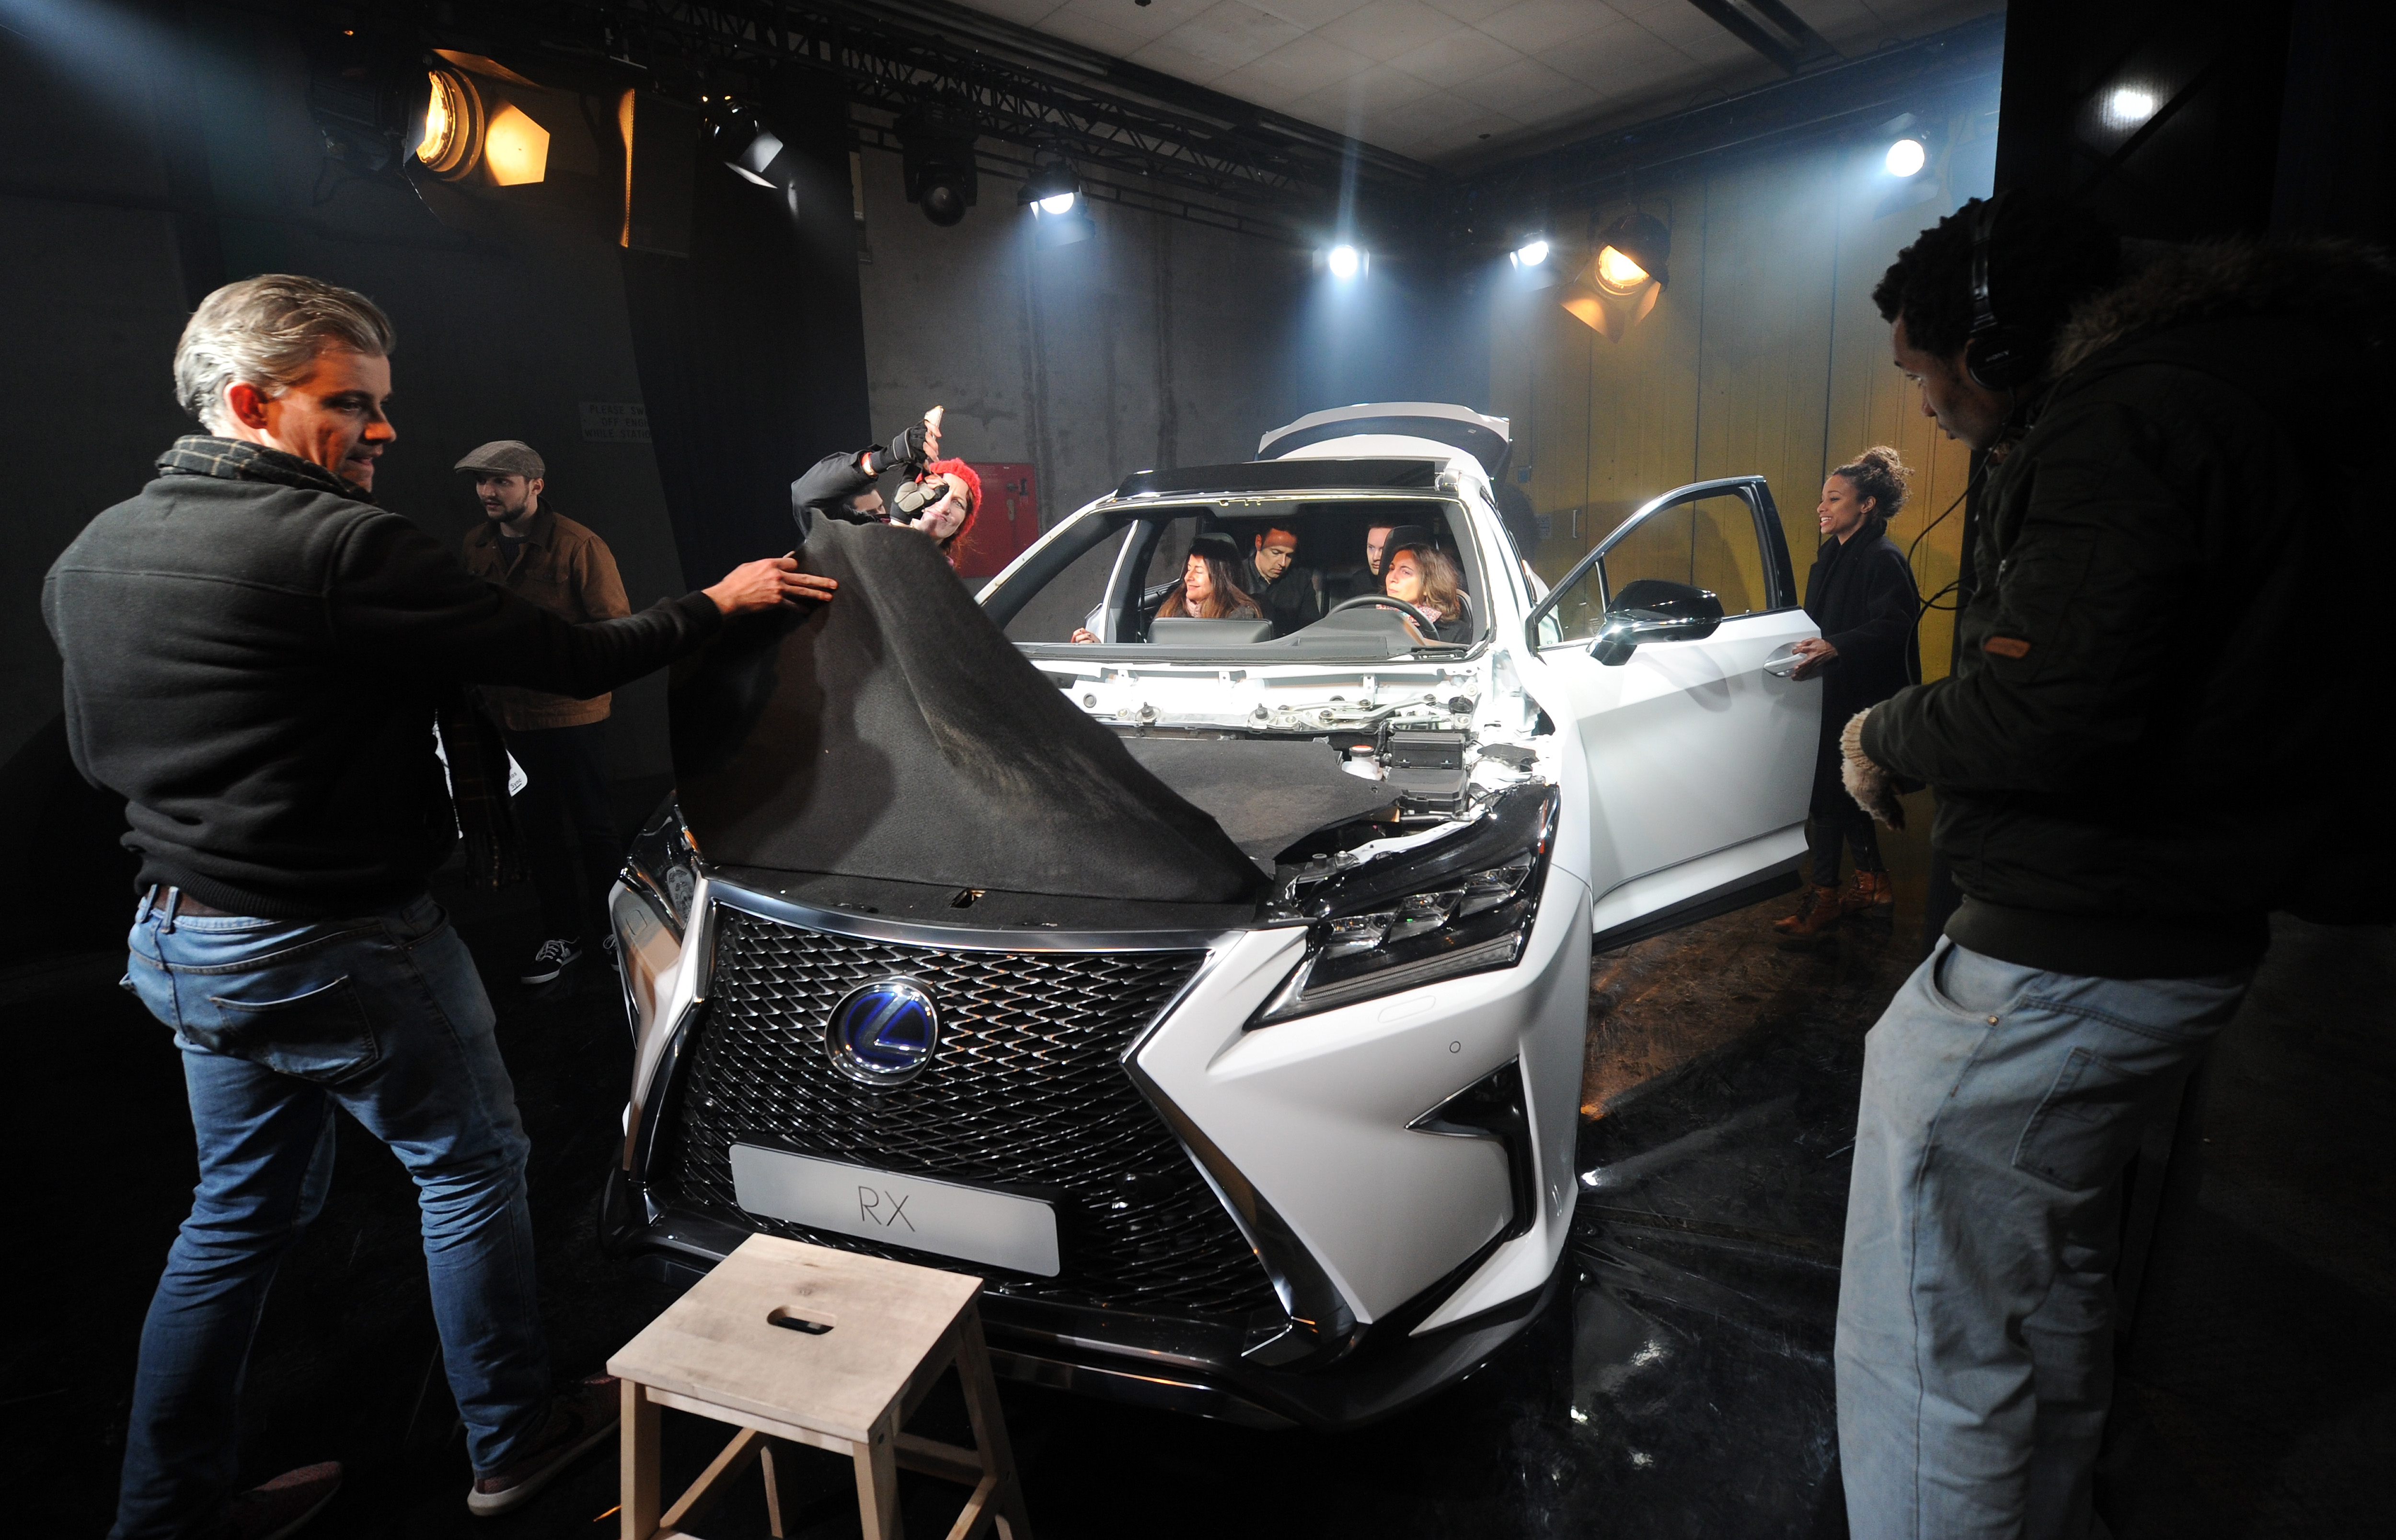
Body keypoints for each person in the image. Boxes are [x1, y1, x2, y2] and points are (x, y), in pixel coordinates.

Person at [46, 274, 831, 1540]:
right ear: (252, 402)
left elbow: (94, 763)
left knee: (235, 1217)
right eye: (351, 404)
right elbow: (571, 657)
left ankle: (165, 1508)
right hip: (338, 939)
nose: (385, 431)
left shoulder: (95, 550)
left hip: (181, 939)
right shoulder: (340, 543)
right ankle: (513, 1445)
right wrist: (721, 604)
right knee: (470, 1167)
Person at [1831, 195, 2389, 1540]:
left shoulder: (2125, 419)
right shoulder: (2248, 388)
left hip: (2063, 958)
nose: (1926, 408)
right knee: (2050, 1270)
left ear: (1995, 340)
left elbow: (2047, 708)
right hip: (2176, 937)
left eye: (1924, 371)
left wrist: (1880, 724)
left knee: (1929, 1339)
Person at [455, 439, 630, 983]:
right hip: (509, 714)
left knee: (595, 826)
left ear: (536, 485)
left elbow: (614, 629)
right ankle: (563, 935)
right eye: (481, 481)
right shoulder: (476, 544)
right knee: (538, 830)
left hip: (572, 712)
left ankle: (614, 932)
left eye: (501, 480)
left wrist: (553, 658)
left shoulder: (579, 545)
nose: (487, 491)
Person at [1772, 446, 1920, 938]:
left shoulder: (1881, 558)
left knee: (1828, 798)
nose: (1821, 507)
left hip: (1860, 699)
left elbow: (1895, 625)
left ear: (1866, 505)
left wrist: (1835, 646)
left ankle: (1825, 896)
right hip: (1831, 693)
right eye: (1822, 498)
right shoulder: (1831, 556)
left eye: (1834, 499)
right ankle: (1873, 883)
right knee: (1846, 795)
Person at [1070, 532, 1259, 642]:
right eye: (1188, 569)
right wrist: (1098, 646)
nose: (1188, 577)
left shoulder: (1241, 617)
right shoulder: (1172, 608)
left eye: (1198, 572)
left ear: (1220, 578)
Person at [788, 406, 941, 537]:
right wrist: (882, 459)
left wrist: (899, 522)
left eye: (881, 507)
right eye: (870, 512)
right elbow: (807, 497)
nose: (881, 516)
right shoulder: (844, 540)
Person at [1380, 528, 1471, 644]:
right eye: (1391, 569)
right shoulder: (1364, 615)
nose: (1392, 578)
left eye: (1406, 572)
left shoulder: (1454, 632)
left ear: (1428, 585)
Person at [1241, 523, 1325, 636]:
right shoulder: (1235, 577)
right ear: (1259, 543)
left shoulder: (1300, 581)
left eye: (1289, 556)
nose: (1283, 563)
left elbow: (1312, 630)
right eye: (1276, 553)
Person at [898, 456, 980, 567]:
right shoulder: (874, 536)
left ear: (961, 526)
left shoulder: (944, 580)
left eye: (958, 503)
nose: (943, 507)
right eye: (937, 490)